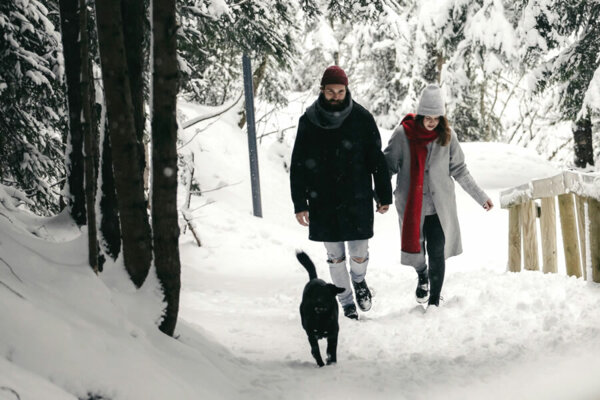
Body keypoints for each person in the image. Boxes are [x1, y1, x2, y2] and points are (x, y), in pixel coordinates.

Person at [290, 66, 393, 319]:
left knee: (358, 253)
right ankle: (346, 302)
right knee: (334, 257)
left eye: (340, 91)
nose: (335, 96)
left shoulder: (362, 118)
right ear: (322, 91)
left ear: (347, 90)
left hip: (356, 197)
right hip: (322, 200)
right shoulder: (309, 120)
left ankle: (358, 282)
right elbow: (298, 164)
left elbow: (376, 160)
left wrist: (383, 194)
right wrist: (299, 203)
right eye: (330, 91)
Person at [383, 83, 493, 307]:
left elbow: (460, 170)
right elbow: (386, 167)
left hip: (439, 208)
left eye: (436, 117)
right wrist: (381, 197)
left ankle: (434, 301)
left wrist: (481, 197)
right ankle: (421, 274)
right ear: (421, 113)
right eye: (428, 116)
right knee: (416, 253)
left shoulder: (448, 137)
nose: (432, 122)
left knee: (437, 252)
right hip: (412, 206)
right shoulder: (403, 134)